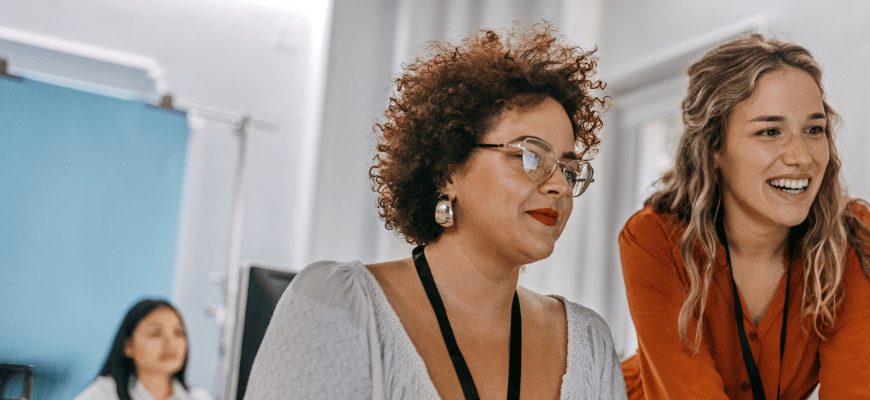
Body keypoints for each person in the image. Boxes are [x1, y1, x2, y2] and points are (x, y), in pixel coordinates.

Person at [244, 23, 624, 400]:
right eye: (531, 156)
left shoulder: (588, 344)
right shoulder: (339, 306)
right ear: (448, 170)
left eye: (568, 169)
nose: (560, 186)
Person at [618, 35, 870, 400]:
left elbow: (861, 390)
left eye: (814, 129)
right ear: (713, 147)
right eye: (770, 132)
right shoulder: (655, 237)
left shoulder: (847, 235)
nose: (801, 157)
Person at [75, 299, 212, 400]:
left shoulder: (198, 397)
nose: (170, 343)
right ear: (128, 346)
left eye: (178, 333)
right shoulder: (103, 394)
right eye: (156, 333)